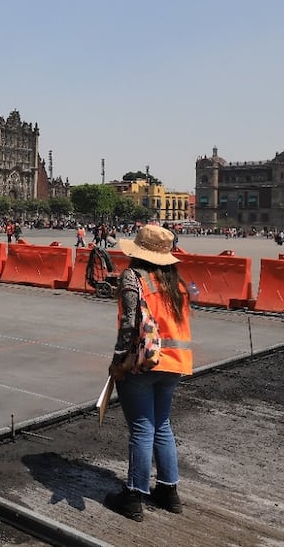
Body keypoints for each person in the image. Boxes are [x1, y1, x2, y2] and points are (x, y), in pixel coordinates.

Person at [105, 224, 193, 522]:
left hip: (142, 364)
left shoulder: (133, 277)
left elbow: (129, 324)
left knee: (142, 428)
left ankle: (132, 497)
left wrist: (118, 362)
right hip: (175, 363)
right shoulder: (174, 282)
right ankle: (169, 491)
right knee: (162, 425)